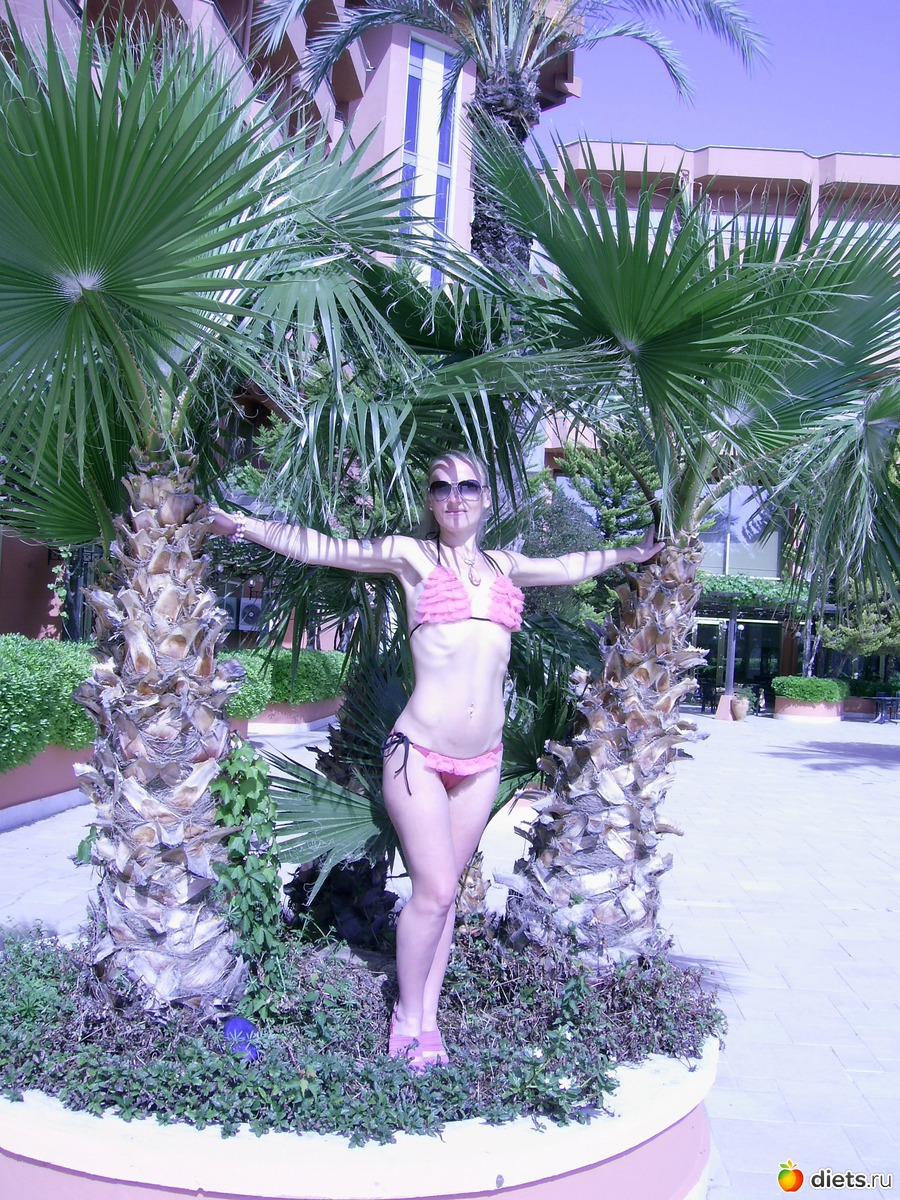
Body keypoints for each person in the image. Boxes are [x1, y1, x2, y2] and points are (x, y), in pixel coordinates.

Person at [209, 451, 662, 1068]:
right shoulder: (411, 557)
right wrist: (244, 525)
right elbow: (326, 548)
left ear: (486, 497)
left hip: (483, 762)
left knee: (443, 896)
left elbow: (569, 566)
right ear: (430, 499)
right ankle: (405, 1014)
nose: (456, 496)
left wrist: (632, 553)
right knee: (437, 887)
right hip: (418, 754)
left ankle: (428, 1017)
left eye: (468, 486)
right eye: (442, 487)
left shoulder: (505, 566)